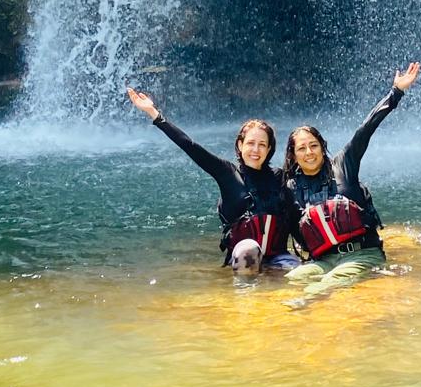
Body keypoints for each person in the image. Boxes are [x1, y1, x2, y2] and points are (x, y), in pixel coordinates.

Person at [282, 62, 421, 298]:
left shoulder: (343, 164)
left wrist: (396, 92)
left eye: (314, 146)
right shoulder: (292, 187)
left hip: (362, 253)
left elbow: (365, 129)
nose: (309, 152)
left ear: (322, 147)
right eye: (302, 149)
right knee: (292, 279)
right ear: (294, 155)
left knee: (318, 288)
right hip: (325, 259)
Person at [127, 88, 300, 273]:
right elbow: (190, 146)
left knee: (299, 274)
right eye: (250, 143)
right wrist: (154, 114)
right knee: (249, 250)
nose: (255, 150)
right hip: (244, 260)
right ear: (240, 145)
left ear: (269, 149)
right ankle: (248, 298)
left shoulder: (281, 177)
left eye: (262, 145)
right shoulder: (227, 172)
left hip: (278, 258)